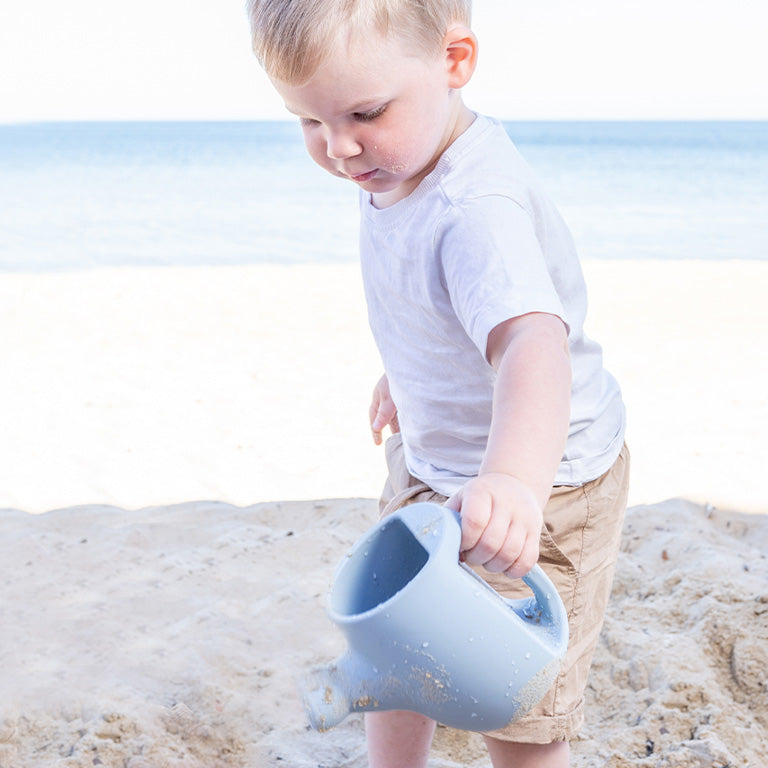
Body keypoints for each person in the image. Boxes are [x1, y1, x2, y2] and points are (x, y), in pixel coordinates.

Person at [246, 1, 629, 766]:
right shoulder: (395, 160)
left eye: (362, 113)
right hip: (432, 460)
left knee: (514, 694)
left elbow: (531, 348)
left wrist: (514, 482)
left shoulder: (475, 207)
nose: (340, 147)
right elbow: (438, 297)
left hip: (546, 486)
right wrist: (410, 368)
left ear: (455, 62)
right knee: (393, 634)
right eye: (308, 122)